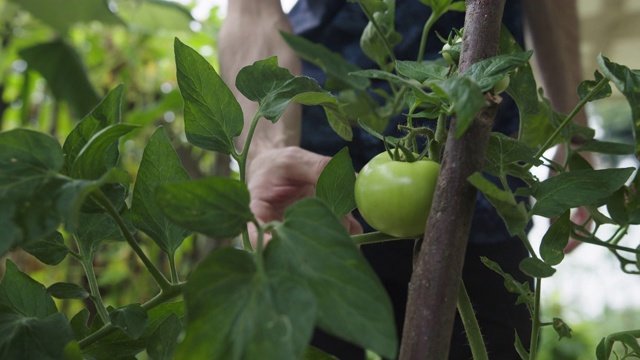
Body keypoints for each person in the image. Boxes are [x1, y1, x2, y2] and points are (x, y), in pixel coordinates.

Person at [219, 0, 587, 358]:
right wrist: (268, 151)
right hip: (314, 180)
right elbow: (251, 8)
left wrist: (575, 136)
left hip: (483, 175)